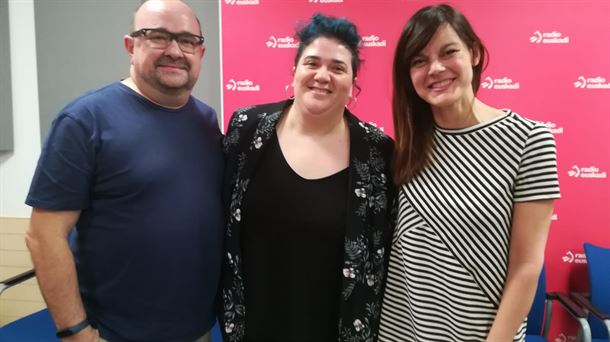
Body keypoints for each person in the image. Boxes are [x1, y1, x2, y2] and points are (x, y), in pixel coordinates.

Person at [25, 1, 223, 341]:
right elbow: (44, 235)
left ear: (200, 51)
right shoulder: (84, 120)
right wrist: (74, 331)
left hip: (197, 330)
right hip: (114, 333)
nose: (175, 50)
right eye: (159, 36)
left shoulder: (206, 120)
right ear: (131, 46)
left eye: (187, 40)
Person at [378, 4, 560, 341]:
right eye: (418, 60)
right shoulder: (409, 145)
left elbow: (526, 267)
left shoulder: (529, 140)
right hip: (402, 332)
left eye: (448, 52)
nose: (435, 69)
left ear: (474, 53)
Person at [220, 13, 395, 342]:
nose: (322, 76)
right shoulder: (246, 128)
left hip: (336, 328)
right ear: (295, 71)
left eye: (338, 68)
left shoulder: (378, 152)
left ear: (353, 82)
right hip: (253, 326)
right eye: (312, 63)